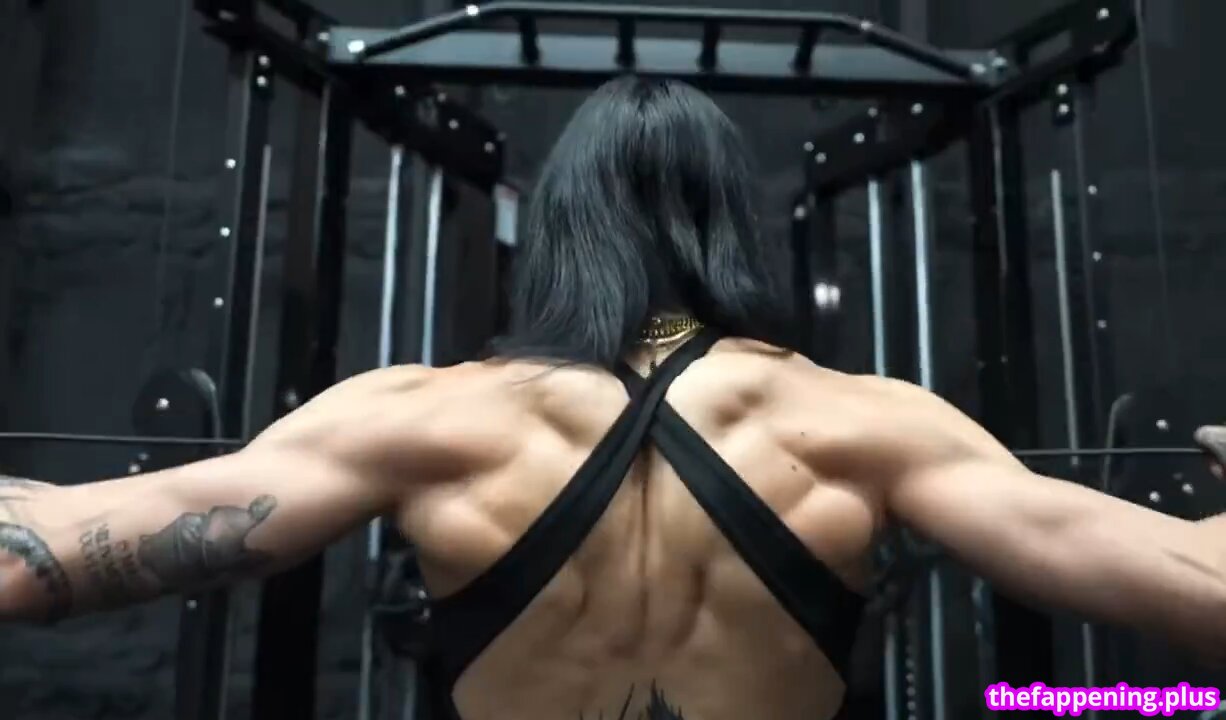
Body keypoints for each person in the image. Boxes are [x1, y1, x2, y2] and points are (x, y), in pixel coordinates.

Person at [0, 76, 1224, 720]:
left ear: (554, 230)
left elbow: (35, 561)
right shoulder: (865, 425)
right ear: (731, 225)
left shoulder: (421, 419)